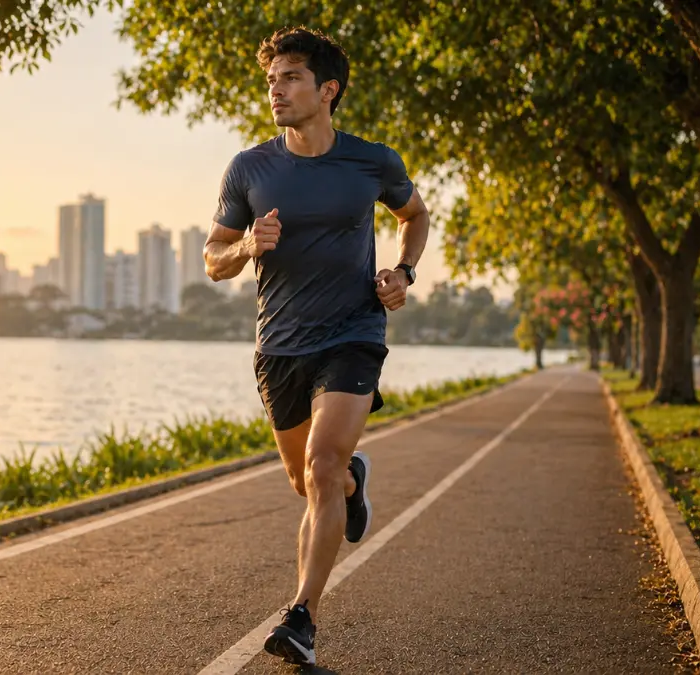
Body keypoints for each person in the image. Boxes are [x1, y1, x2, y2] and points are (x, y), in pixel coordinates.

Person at [203, 26, 430, 666]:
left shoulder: (372, 161)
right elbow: (212, 259)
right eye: (272, 79)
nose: (276, 89)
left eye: (291, 77)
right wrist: (248, 246)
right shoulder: (250, 167)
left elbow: (415, 215)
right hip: (279, 346)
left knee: (322, 466)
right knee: (311, 483)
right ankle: (354, 486)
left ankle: (301, 615)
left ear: (327, 89)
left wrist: (402, 273)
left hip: (354, 333)